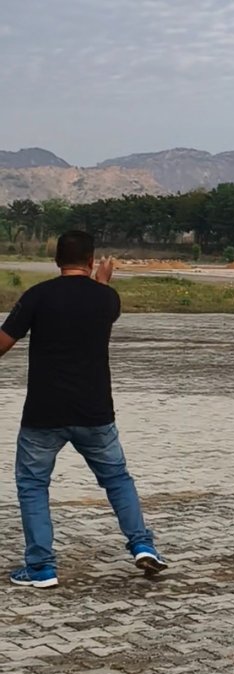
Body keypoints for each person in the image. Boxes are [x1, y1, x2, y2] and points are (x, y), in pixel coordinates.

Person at [0, 230, 165, 588]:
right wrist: (102, 282)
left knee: (33, 485)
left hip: (44, 413)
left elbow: (3, 342)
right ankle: (142, 545)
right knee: (117, 479)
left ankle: (41, 567)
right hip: (95, 412)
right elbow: (102, 307)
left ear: (56, 260)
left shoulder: (37, 296)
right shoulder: (106, 298)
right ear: (91, 261)